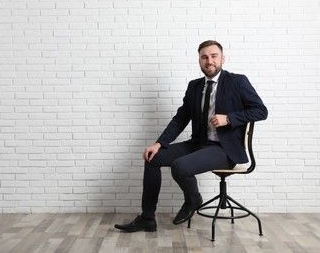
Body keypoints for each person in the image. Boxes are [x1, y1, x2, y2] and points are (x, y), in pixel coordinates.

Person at [114, 40, 268, 232]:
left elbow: (261, 111)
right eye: (204, 57)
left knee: (180, 167)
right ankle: (147, 218)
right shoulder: (194, 86)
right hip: (199, 143)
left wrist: (229, 118)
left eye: (213, 56)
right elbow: (181, 118)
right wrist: (160, 143)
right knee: (152, 158)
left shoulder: (238, 82)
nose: (209, 61)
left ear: (223, 59)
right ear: (199, 61)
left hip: (224, 150)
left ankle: (193, 199)